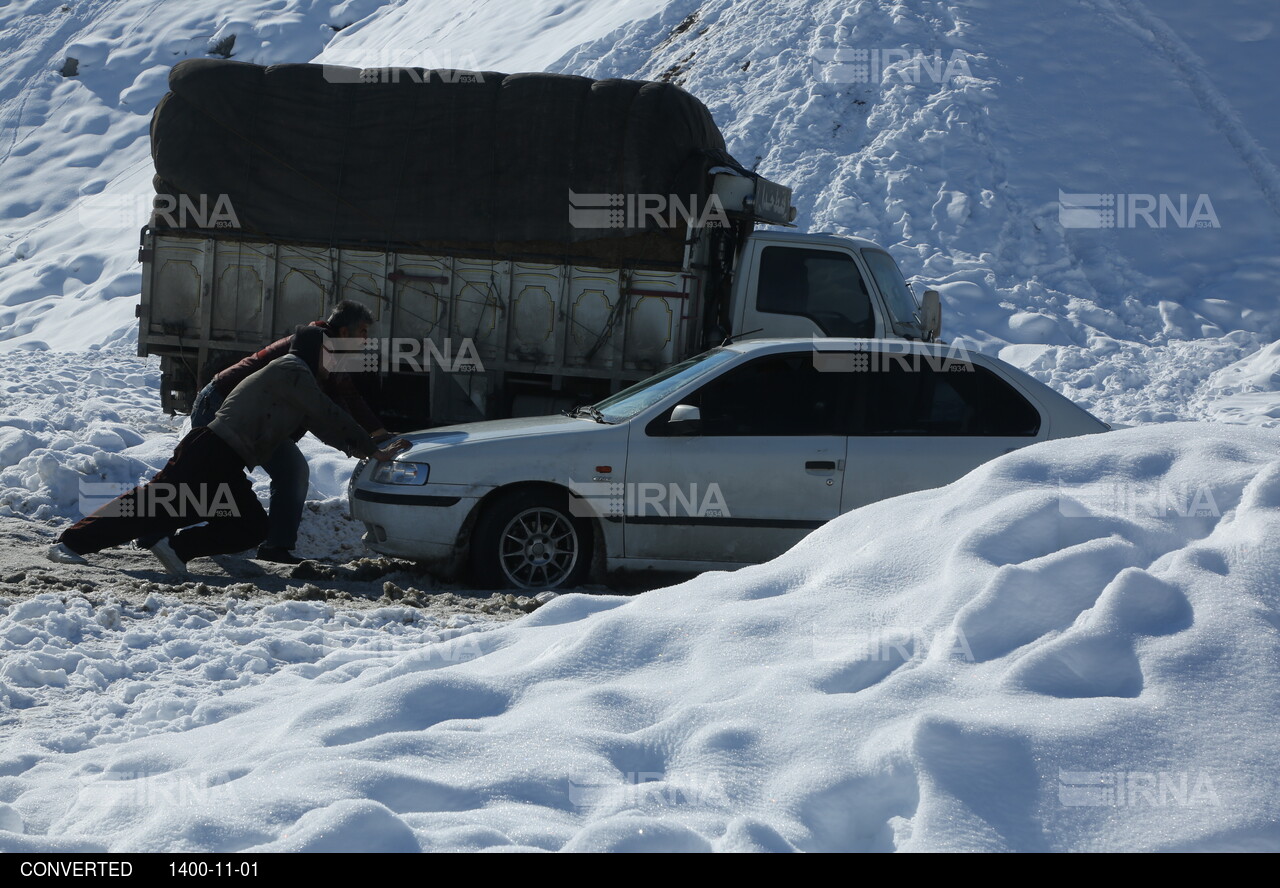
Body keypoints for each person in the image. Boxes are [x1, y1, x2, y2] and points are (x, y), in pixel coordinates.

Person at [47, 327, 409, 577]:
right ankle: (71, 542)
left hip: (226, 462)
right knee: (153, 503)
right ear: (316, 350)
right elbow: (327, 414)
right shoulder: (292, 368)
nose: (334, 359)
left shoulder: (300, 381)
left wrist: (364, 445)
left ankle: (174, 547)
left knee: (247, 526)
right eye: (330, 352)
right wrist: (370, 448)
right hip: (209, 452)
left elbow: (323, 423)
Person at [140, 300, 391, 564]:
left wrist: (378, 433)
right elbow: (331, 405)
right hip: (221, 405)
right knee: (212, 478)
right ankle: (154, 530)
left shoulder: (325, 346)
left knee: (286, 471)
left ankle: (275, 546)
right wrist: (373, 442)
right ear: (344, 332)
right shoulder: (317, 346)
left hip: (253, 416)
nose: (366, 339)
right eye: (363, 331)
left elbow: (345, 396)